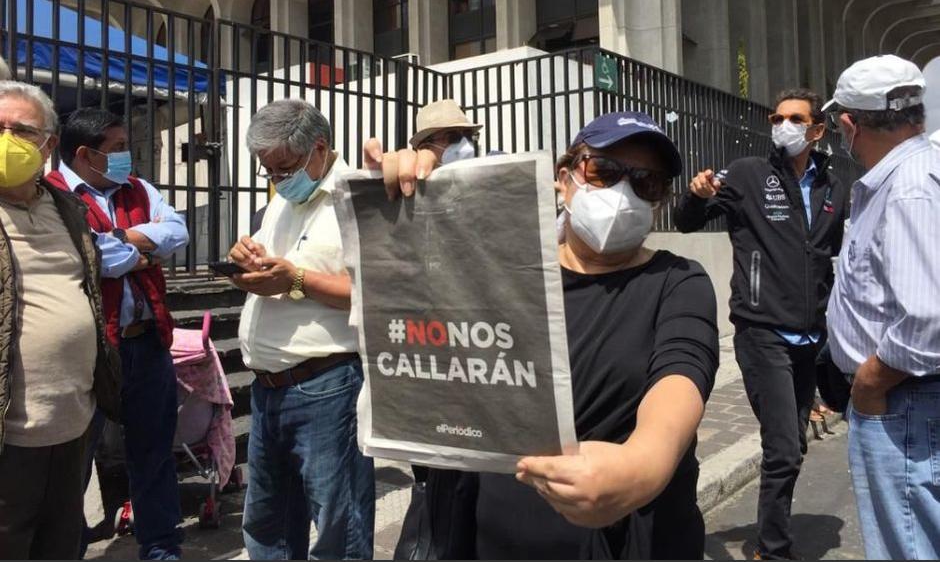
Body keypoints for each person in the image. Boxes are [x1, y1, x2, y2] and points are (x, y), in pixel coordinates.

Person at [372, 111, 720, 559]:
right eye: (604, 171)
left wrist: (641, 467)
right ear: (565, 176)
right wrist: (404, 206)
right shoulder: (502, 272)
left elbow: (681, 378)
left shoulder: (678, 281)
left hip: (629, 540)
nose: (622, 193)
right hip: (486, 539)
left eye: (646, 183)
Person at [674, 89, 848, 560]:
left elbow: (833, 257)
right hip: (761, 331)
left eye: (795, 118)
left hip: (810, 336)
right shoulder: (750, 174)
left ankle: (770, 538)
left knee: (792, 449)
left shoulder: (832, 188)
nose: (783, 124)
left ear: (817, 129)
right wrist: (696, 195)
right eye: (777, 117)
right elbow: (688, 221)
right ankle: (773, 550)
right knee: (784, 449)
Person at [227, 99, 375, 560]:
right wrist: (246, 262)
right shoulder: (282, 202)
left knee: (338, 527)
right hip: (269, 388)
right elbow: (276, 269)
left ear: (319, 148)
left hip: (328, 385)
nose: (277, 180)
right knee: (267, 525)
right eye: (268, 172)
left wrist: (295, 280)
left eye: (284, 168)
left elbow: (377, 290)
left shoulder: (360, 197)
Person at [47, 107, 189, 560]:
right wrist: (144, 250)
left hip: (146, 342)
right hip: (88, 350)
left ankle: (161, 545)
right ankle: (63, 548)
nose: (128, 156)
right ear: (86, 155)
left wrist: (120, 238)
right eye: (119, 149)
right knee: (74, 458)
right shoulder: (53, 197)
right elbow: (95, 259)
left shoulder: (138, 189)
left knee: (153, 451)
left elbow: (177, 230)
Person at [824, 55, 940, 560]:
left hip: (902, 401)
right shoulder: (909, 175)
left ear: (850, 123)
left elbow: (928, 317)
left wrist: (871, 383)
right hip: (906, 401)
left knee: (907, 546)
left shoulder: (910, 186)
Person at [0, 81, 121, 559]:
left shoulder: (68, 209)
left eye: (21, 130)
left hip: (73, 422)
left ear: (49, 145)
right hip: (10, 434)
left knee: (61, 543)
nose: (7, 139)